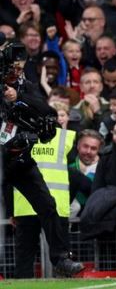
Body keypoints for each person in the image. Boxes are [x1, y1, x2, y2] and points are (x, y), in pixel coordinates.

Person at [1, 54, 83, 277]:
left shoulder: (24, 87)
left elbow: (48, 112)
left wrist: (18, 96)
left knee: (48, 205)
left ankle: (61, 259)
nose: (16, 71)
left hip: (18, 157)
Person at [12, 123, 77, 278]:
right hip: (55, 205)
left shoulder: (16, 135)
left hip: (25, 204)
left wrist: (10, 209)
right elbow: (74, 172)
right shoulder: (63, 136)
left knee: (25, 258)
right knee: (62, 257)